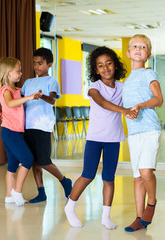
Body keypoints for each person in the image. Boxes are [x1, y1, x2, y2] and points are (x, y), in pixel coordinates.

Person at [64, 46, 137, 228]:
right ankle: (70, 206)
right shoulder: (94, 87)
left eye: (109, 63)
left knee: (108, 178)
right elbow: (103, 103)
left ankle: (106, 217)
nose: (105, 68)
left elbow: (134, 93)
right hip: (95, 139)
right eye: (100, 65)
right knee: (88, 175)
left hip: (114, 139)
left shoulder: (122, 86)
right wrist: (125, 111)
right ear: (96, 70)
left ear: (115, 65)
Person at [122, 34, 163, 232]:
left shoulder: (149, 73)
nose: (138, 49)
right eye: (135, 46)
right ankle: (139, 218)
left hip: (150, 130)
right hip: (134, 133)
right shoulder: (127, 80)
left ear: (148, 54)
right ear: (128, 52)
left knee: (146, 172)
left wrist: (139, 105)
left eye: (143, 47)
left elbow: (158, 99)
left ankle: (152, 203)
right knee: (138, 177)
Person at [22, 48, 72, 203]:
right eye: (34, 63)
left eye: (40, 63)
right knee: (35, 162)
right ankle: (41, 192)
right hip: (27, 125)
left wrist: (40, 95)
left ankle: (65, 181)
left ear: (49, 64)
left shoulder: (52, 81)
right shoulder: (28, 82)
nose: (37, 66)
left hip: (42, 126)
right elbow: (21, 101)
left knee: (44, 161)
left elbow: (52, 100)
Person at [0, 57, 42, 206]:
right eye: (18, 71)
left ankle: (9, 196)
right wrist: (29, 98)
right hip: (10, 132)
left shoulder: (17, 90)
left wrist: (2, 111)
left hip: (15, 132)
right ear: (8, 74)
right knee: (27, 159)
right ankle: (17, 191)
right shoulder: (5, 89)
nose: (21, 73)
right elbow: (10, 103)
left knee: (12, 165)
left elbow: (10, 107)